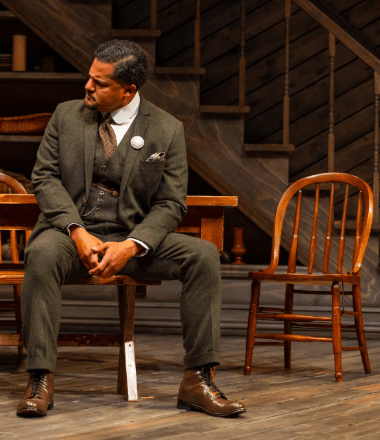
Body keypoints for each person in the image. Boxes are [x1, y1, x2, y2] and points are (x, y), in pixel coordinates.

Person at [16, 40, 246, 418]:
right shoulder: (66, 116)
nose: (88, 87)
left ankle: (198, 380)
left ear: (129, 90)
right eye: (89, 77)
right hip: (72, 235)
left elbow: (172, 202)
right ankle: (40, 377)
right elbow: (44, 178)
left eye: (100, 83)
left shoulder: (167, 129)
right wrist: (76, 230)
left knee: (203, 254)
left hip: (134, 239)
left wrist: (133, 245)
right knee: (41, 253)